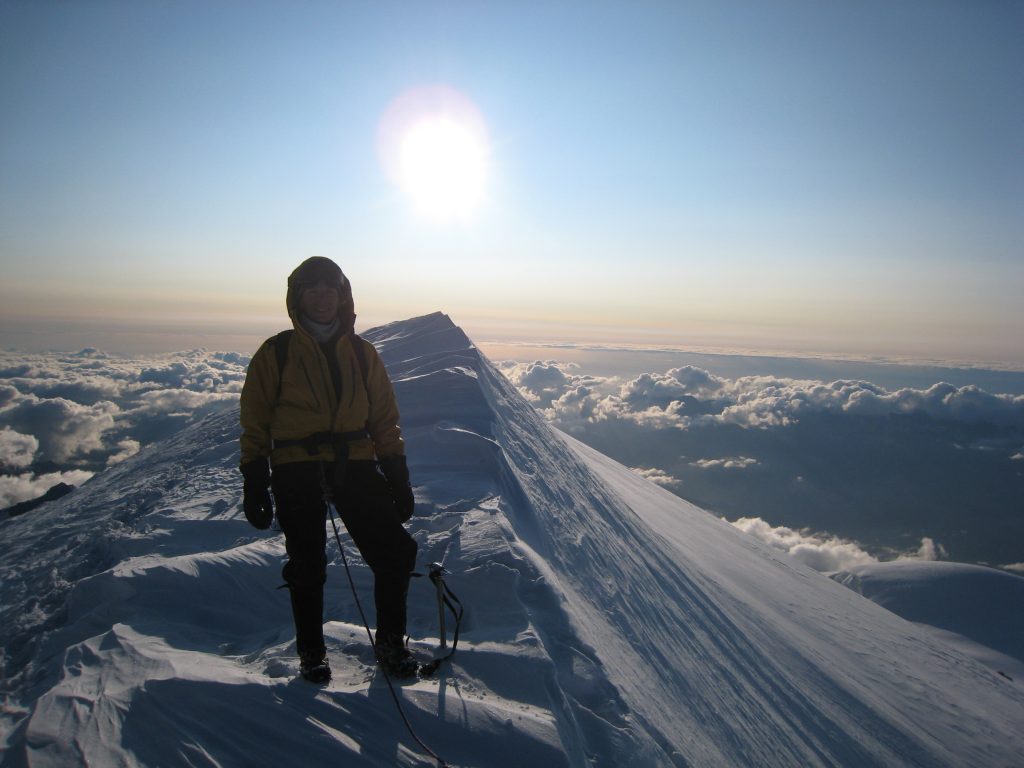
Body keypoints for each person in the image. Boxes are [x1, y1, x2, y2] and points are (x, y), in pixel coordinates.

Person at [239, 256, 418, 682]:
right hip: (295, 465)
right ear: (296, 297)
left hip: (354, 460)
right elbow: (255, 418)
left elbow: (383, 417)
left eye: (330, 290)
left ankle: (390, 643)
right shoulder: (276, 352)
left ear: (343, 297)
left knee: (396, 553)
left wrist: (396, 473)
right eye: (312, 290)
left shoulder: (361, 352)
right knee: (307, 563)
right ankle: (312, 654)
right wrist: (255, 479)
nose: (322, 298)